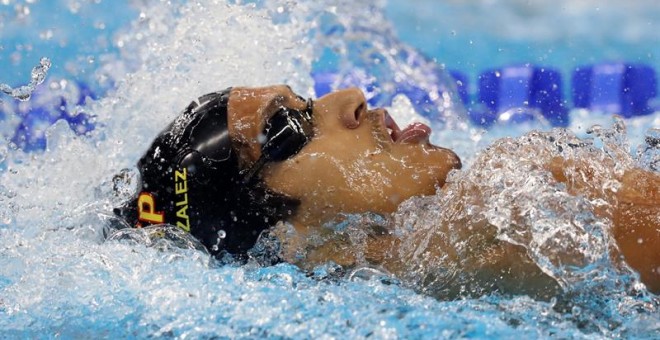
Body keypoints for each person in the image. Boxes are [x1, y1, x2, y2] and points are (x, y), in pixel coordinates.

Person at [114, 85, 659, 298]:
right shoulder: (516, 203)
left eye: (305, 99)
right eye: (288, 129)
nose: (348, 96)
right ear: (279, 237)